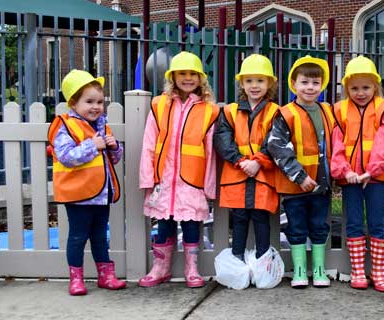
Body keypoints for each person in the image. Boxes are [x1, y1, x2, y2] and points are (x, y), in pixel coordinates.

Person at [138, 51, 220, 288]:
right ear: (173, 77)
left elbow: (210, 152)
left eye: (192, 74)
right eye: (182, 73)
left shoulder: (209, 110)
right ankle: (160, 268)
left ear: (200, 78)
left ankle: (191, 269)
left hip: (192, 180)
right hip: (163, 178)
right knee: (163, 224)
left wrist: (209, 186)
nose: (187, 78)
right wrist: (148, 177)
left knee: (192, 224)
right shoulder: (159, 104)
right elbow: (149, 142)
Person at [48, 70, 126, 295]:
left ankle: (106, 275)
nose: (96, 106)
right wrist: (94, 145)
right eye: (89, 101)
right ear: (73, 103)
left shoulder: (102, 126)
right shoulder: (64, 125)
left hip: (101, 194)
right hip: (79, 195)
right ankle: (76, 279)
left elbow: (113, 160)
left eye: (100, 102)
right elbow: (66, 156)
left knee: (101, 236)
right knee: (78, 237)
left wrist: (113, 147)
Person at [265, 56, 335, 289]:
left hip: (320, 185)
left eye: (315, 83)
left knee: (319, 226)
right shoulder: (285, 113)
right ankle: (300, 271)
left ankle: (318, 270)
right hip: (295, 186)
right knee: (296, 227)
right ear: (294, 84)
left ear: (322, 85)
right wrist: (300, 176)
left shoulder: (327, 111)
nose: (310, 87)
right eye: (304, 82)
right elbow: (277, 147)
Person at [331, 56, 384, 292]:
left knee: (377, 222)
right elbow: (336, 144)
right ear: (346, 87)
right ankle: (358, 270)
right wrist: (344, 170)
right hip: (350, 179)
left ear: (375, 86)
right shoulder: (339, 110)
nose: (360, 92)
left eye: (366, 87)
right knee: (354, 223)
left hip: (375, 177)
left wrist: (372, 170)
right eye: (355, 88)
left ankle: (378, 272)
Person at [214, 54, 280, 269]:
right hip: (238, 174)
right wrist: (241, 161)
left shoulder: (275, 112)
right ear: (242, 82)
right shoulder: (230, 111)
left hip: (262, 174)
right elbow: (222, 139)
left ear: (269, 83)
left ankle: (263, 264)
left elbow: (276, 140)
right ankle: (237, 263)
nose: (254, 86)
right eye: (249, 80)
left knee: (261, 218)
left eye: (260, 80)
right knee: (240, 218)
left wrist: (258, 162)